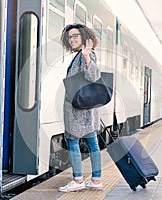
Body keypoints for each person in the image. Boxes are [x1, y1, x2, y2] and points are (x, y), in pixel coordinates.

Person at [59, 24, 102, 192]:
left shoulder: (86, 54)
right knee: (93, 144)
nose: (73, 39)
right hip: (85, 110)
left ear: (84, 36)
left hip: (78, 110)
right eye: (70, 37)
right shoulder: (79, 55)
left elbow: (93, 76)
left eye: (76, 35)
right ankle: (96, 180)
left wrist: (86, 57)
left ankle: (78, 181)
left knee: (72, 141)